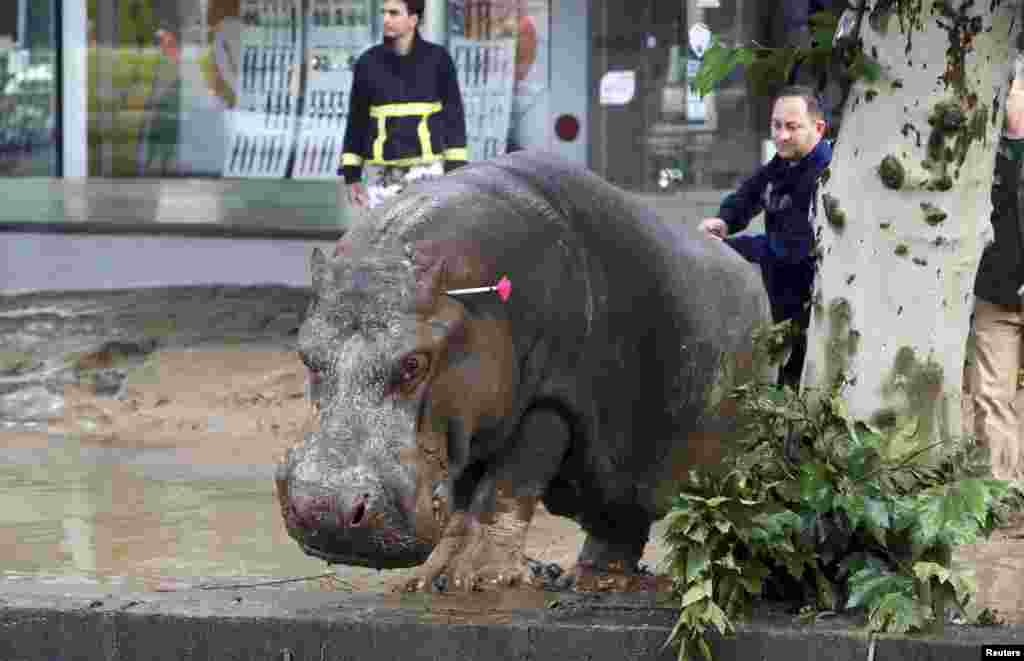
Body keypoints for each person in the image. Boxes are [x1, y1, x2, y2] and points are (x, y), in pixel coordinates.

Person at [698, 85, 832, 388]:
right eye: (776, 125)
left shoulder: (825, 174)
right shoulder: (786, 161)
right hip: (781, 304)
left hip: (810, 311)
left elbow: (791, 250)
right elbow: (752, 192)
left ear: (818, 128)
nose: (781, 135)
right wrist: (725, 220)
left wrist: (728, 248)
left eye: (792, 127)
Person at [339, 0, 468, 209]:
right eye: (384, 12)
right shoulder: (367, 63)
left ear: (413, 20)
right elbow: (357, 121)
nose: (386, 19)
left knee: (426, 237)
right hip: (381, 175)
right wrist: (351, 174)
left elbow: (454, 117)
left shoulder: (438, 60)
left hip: (428, 172)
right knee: (381, 238)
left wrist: (456, 170)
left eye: (394, 13)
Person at [970, 58, 1024, 486]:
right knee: (991, 396)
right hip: (995, 293)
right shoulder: (977, 152)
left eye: (1013, 88)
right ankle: (1003, 488)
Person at [137, 24, 183, 176]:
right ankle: (153, 165)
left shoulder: (176, 61)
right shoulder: (159, 60)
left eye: (167, 41)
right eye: (161, 41)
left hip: (169, 109)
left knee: (167, 143)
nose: (163, 45)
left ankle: (163, 165)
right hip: (160, 109)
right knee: (155, 142)